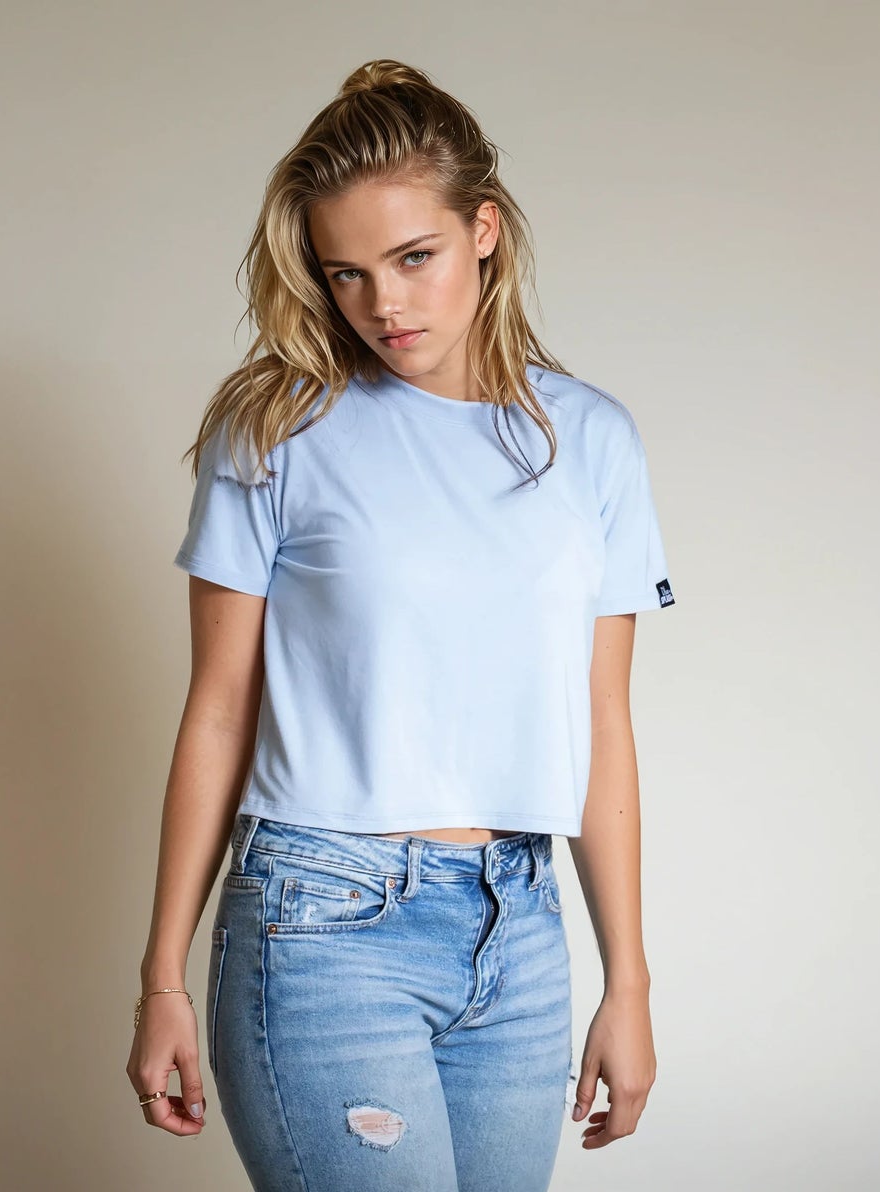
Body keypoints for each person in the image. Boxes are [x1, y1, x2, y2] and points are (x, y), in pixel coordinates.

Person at [128, 58, 675, 1191]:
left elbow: (601, 724)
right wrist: (163, 978)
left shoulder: (593, 440)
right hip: (321, 923)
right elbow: (219, 710)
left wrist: (628, 981)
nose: (383, 304)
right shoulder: (278, 428)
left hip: (519, 928)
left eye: (414, 257)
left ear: (484, 230)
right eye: (348, 272)